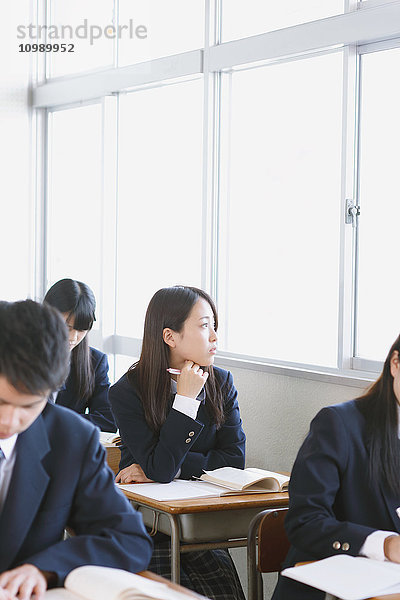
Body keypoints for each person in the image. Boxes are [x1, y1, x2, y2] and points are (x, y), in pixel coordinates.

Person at [0, 299, 152, 600]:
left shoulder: (71, 440)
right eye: (1, 401)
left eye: (29, 405)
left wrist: (43, 567)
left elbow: (129, 540)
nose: (9, 420)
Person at [110, 285, 246, 600]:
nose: (214, 336)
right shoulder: (126, 392)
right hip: (147, 528)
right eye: (203, 326)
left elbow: (233, 461)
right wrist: (185, 400)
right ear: (170, 336)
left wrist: (169, 467)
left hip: (199, 522)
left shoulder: (221, 382)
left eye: (214, 325)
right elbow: (160, 468)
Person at [272, 334, 400, 600]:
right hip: (330, 588)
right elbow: (304, 522)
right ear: (395, 364)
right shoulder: (339, 424)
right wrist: (385, 545)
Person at [44, 278, 116, 432]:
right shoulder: (20, 352)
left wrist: (53, 421)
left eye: (82, 329)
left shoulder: (95, 361)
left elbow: (108, 420)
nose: (73, 337)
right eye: (66, 327)